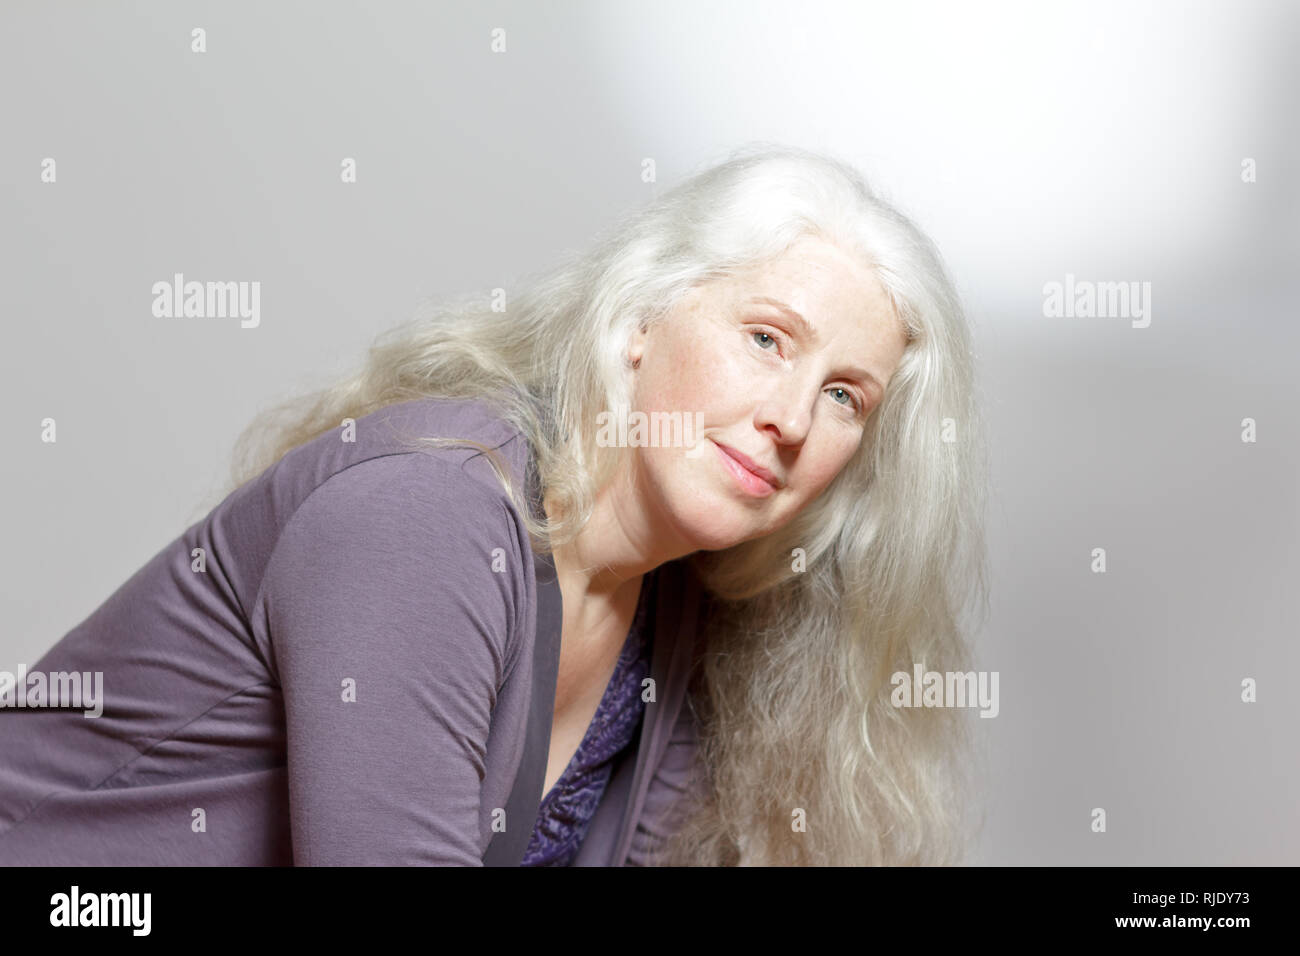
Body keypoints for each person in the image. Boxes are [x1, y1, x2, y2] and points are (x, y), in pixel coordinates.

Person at [0, 143, 989, 866]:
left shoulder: (681, 622)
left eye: (842, 395)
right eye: (767, 340)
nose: (788, 418)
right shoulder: (428, 514)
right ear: (642, 319)